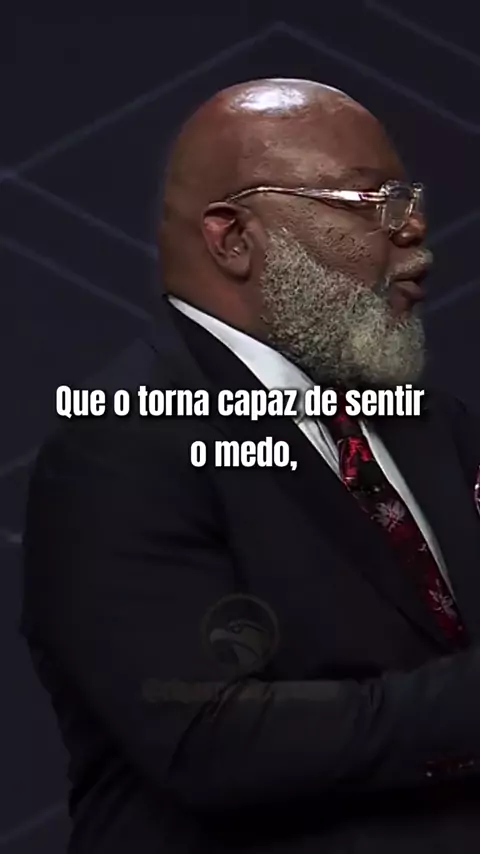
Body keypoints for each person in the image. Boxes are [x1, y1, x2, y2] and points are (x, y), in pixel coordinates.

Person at [21, 78, 480, 854]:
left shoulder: (432, 422)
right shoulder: (120, 439)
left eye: (409, 201)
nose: (417, 233)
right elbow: (210, 739)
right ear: (234, 238)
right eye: (373, 203)